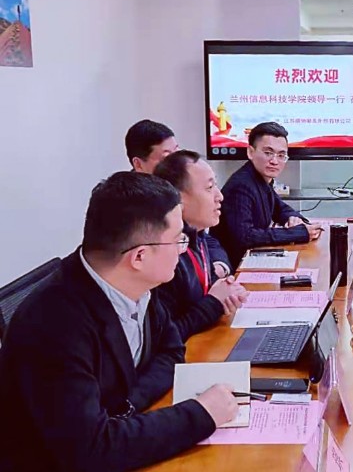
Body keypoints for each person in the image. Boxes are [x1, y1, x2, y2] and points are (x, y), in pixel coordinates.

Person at [0, 172, 238, 471]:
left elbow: (171, 349)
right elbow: (91, 450)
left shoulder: (136, 284)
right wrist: (201, 414)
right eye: (179, 239)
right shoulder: (55, 325)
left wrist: (127, 405)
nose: (183, 248)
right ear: (139, 257)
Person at [154, 150, 249, 341]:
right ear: (178, 199)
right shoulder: (165, 253)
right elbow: (165, 337)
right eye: (209, 188)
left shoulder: (197, 235)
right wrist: (213, 303)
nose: (219, 196)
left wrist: (224, 292)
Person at [213, 122, 322, 267]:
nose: (274, 161)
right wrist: (298, 233)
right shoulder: (241, 186)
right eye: (268, 153)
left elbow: (280, 208)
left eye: (281, 155)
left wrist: (293, 218)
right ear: (250, 152)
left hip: (254, 259)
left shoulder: (261, 178)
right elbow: (245, 237)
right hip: (237, 268)